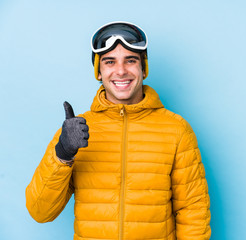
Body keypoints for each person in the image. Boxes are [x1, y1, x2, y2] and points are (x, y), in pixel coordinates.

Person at [25, 21, 211, 240]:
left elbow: (193, 212)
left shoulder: (177, 129)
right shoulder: (76, 131)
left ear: (143, 68)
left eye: (130, 60)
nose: (120, 71)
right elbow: (40, 211)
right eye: (109, 62)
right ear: (99, 71)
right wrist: (63, 154)